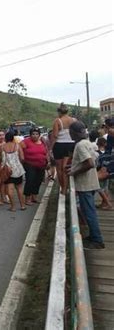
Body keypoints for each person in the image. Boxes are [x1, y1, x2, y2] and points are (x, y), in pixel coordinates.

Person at [67, 121, 105, 249]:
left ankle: (97, 239)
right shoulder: (89, 143)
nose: (70, 135)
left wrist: (73, 172)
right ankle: (93, 236)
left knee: (89, 212)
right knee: (89, 211)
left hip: (85, 184)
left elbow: (89, 163)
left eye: (70, 132)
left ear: (74, 133)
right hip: (91, 182)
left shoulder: (80, 145)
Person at [51, 103, 77, 194]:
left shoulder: (57, 121)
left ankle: (63, 188)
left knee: (59, 168)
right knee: (66, 167)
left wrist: (51, 148)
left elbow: (54, 135)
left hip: (59, 145)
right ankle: (66, 187)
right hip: (71, 145)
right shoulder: (74, 120)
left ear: (59, 111)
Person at [21, 128, 48, 205]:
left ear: (39, 135)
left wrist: (48, 161)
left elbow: (46, 152)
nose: (35, 136)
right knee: (30, 180)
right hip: (29, 164)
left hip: (41, 165)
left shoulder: (42, 141)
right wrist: (22, 157)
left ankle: (34, 197)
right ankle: (27, 198)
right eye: (33, 134)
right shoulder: (25, 141)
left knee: (38, 181)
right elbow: (19, 148)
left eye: (36, 134)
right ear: (30, 135)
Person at [1, 131, 26, 212]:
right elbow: (22, 158)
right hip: (18, 170)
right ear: (13, 138)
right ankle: (22, 206)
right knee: (19, 188)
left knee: (10, 189)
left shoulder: (2, 147)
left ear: (5, 138)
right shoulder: (17, 146)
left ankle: (13, 207)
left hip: (8, 170)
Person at [96, 137, 112, 210]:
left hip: (100, 172)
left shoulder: (97, 153)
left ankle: (108, 203)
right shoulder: (108, 153)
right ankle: (104, 203)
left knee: (98, 188)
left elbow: (97, 163)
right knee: (105, 188)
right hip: (108, 172)